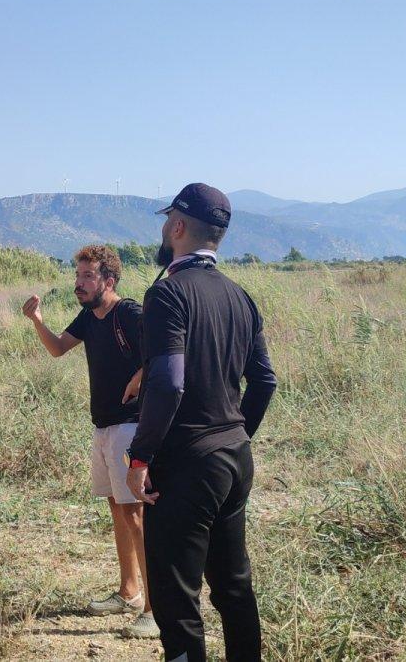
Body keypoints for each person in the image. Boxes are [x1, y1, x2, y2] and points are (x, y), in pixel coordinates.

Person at [126, 183, 277, 662]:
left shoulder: (167, 294)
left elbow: (169, 384)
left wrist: (141, 456)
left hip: (187, 464)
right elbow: (265, 381)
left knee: (175, 596)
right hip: (234, 458)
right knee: (233, 586)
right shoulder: (240, 297)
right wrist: (233, 435)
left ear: (177, 227)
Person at [22, 245, 158, 639]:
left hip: (130, 428)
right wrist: (37, 320)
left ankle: (155, 608)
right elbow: (58, 348)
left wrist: (139, 377)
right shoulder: (89, 316)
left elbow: (165, 353)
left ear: (108, 281)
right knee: (118, 508)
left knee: (136, 516)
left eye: (86, 277)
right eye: (77, 276)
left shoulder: (129, 313)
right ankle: (129, 591)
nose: (78, 284)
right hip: (103, 427)